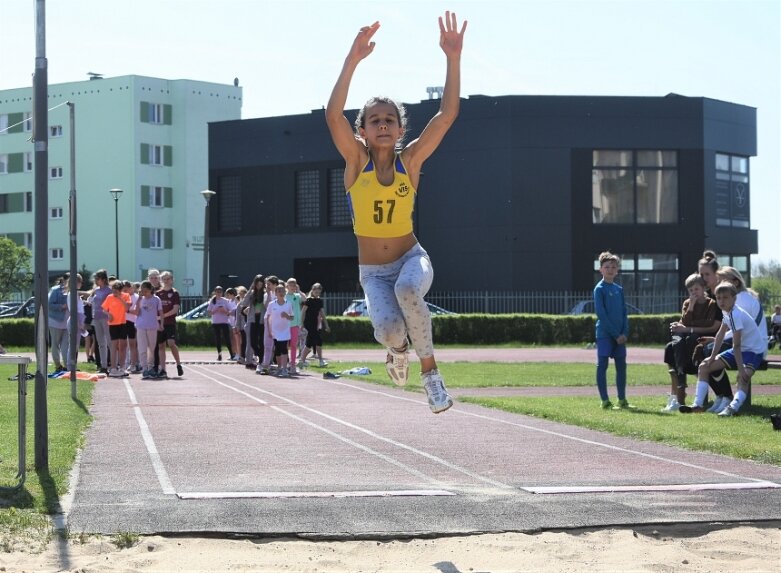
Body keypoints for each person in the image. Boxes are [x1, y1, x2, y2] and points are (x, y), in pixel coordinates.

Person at [324, 12, 466, 413]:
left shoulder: (412, 161)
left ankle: (431, 374)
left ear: (401, 130)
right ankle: (399, 350)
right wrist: (352, 60)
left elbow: (447, 115)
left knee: (408, 290)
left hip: (411, 259)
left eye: (390, 120)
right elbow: (332, 116)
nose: (383, 125)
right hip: (373, 273)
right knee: (387, 330)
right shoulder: (355, 161)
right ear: (363, 130)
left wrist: (452, 58)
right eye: (375, 120)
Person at [679, 281, 767, 416]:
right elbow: (720, 335)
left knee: (742, 378)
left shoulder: (736, 314)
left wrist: (741, 369)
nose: (721, 301)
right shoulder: (726, 312)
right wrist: (712, 357)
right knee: (704, 366)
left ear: (734, 298)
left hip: (753, 352)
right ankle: (697, 405)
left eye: (725, 297)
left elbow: (736, 345)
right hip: (740, 350)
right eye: (718, 298)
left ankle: (733, 408)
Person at [661, 273, 719, 412]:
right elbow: (685, 321)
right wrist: (691, 306)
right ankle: (680, 378)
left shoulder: (712, 304)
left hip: (702, 337)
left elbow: (709, 323)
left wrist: (689, 327)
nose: (694, 293)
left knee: (691, 338)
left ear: (704, 288)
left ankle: (688, 371)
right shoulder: (687, 303)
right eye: (691, 290)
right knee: (672, 342)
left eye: (697, 289)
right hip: (686, 337)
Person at [593, 251, 633, 410]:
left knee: (621, 366)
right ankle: (604, 401)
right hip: (605, 335)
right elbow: (601, 314)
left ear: (617, 270)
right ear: (600, 269)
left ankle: (622, 399)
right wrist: (615, 334)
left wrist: (624, 332)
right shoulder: (599, 289)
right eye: (607, 267)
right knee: (602, 365)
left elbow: (624, 312)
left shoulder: (618, 289)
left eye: (613, 267)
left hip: (620, 336)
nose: (610, 269)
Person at [130, 280, 163, 379]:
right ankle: (144, 369)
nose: (144, 293)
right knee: (142, 348)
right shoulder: (140, 299)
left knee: (151, 348)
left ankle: (150, 367)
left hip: (152, 326)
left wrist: (161, 324)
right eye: (142, 291)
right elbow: (136, 312)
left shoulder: (156, 299)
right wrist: (139, 300)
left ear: (150, 290)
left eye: (145, 291)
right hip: (141, 326)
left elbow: (161, 312)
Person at [156, 271, 184, 378]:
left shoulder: (175, 293)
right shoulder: (158, 294)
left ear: (172, 280)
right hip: (160, 323)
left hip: (170, 323)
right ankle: (163, 369)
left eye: (168, 279)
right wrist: (158, 319)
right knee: (161, 345)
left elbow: (175, 310)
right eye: (164, 279)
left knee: (171, 343)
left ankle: (178, 364)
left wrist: (162, 316)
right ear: (161, 280)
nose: (166, 281)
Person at [102, 280, 131, 378]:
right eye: (113, 290)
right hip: (113, 324)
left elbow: (127, 308)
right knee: (114, 346)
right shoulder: (109, 297)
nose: (114, 292)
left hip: (123, 323)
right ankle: (113, 368)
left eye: (116, 291)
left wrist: (120, 297)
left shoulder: (126, 296)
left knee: (122, 346)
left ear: (121, 290)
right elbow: (104, 309)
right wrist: (108, 314)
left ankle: (122, 367)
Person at [264, 283, 294, 377]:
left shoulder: (288, 304)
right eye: (279, 291)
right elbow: (268, 317)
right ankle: (279, 367)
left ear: (285, 292)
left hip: (285, 331)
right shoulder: (272, 304)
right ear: (276, 293)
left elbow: (292, 317)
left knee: (284, 348)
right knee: (277, 349)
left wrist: (287, 316)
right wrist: (269, 330)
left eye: (282, 291)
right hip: (275, 331)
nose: (281, 292)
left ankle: (284, 369)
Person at [299, 283, 330, 369]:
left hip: (315, 323)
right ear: (312, 290)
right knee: (318, 340)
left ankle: (302, 361)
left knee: (309, 343)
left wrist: (326, 325)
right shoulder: (308, 300)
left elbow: (322, 314)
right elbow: (303, 312)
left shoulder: (319, 301)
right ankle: (320, 361)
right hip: (308, 323)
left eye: (319, 289)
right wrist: (301, 324)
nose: (317, 291)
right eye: (315, 289)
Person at [238, 275, 265, 369]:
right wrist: (249, 290)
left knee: (261, 342)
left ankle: (262, 359)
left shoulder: (265, 294)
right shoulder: (252, 294)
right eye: (257, 284)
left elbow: (268, 303)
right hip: (252, 319)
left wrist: (269, 293)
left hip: (261, 320)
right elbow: (243, 303)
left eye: (261, 284)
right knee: (251, 342)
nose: (259, 286)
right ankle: (249, 360)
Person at [90, 270, 113, 374]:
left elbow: (112, 304)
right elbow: (93, 301)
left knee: (109, 341)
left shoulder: (109, 290)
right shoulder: (96, 290)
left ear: (103, 279)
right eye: (95, 278)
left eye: (97, 278)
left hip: (106, 318)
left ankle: (113, 365)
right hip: (97, 317)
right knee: (101, 343)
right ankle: (103, 366)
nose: (96, 280)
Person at [47, 275, 68, 372]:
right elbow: (49, 304)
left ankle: (67, 365)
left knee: (65, 345)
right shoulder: (55, 290)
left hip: (67, 322)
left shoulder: (71, 290)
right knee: (55, 345)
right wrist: (61, 306)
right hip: (56, 321)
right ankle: (58, 365)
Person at [207, 286, 234, 361]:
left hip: (224, 322)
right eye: (217, 292)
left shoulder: (225, 301)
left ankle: (231, 354)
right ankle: (219, 354)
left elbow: (230, 312)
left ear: (222, 293)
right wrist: (214, 311)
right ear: (215, 292)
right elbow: (209, 313)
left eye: (220, 292)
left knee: (227, 338)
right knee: (218, 339)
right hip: (216, 322)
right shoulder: (212, 301)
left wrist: (224, 311)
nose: (218, 293)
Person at [285, 278, 304, 374]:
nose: (292, 287)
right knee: (284, 345)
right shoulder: (284, 297)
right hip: (285, 325)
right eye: (291, 285)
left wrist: (299, 291)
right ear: (287, 286)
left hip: (295, 325)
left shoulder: (297, 296)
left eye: (294, 285)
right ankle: (285, 364)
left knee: (293, 345)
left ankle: (292, 365)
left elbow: (305, 299)